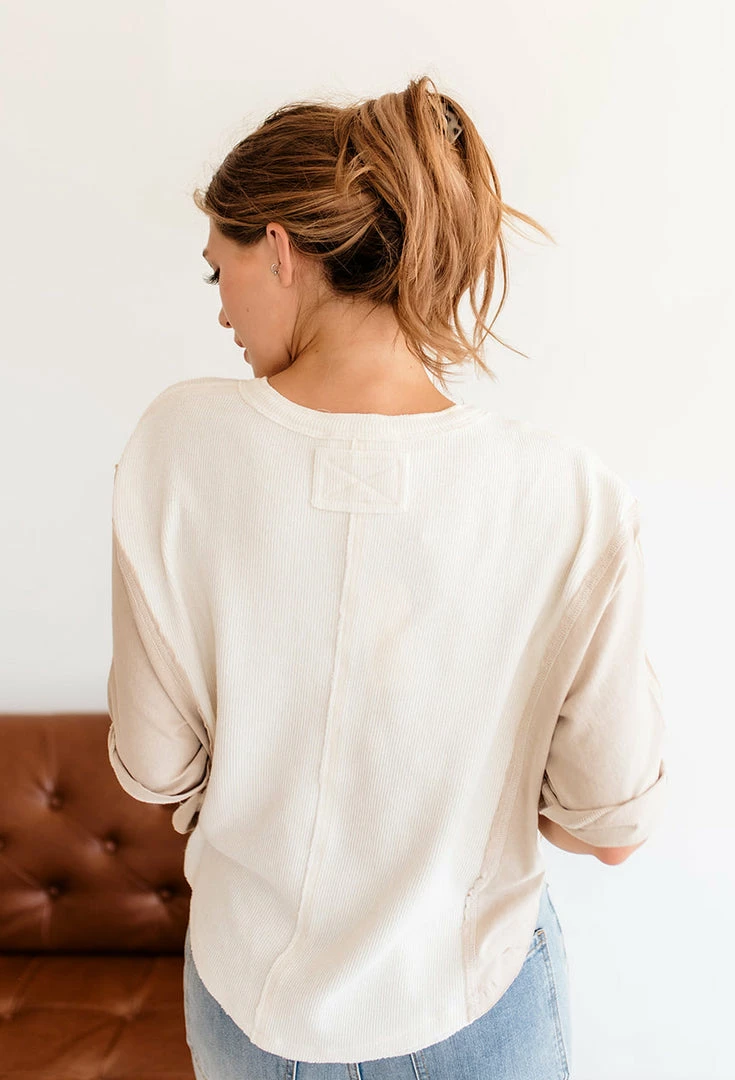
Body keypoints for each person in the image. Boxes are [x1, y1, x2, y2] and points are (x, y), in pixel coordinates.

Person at [106, 74, 668, 1079]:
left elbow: (154, 769)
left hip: (247, 998)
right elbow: (614, 826)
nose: (222, 309)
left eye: (218, 271)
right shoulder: (567, 496)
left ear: (280, 249)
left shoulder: (176, 447)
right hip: (471, 996)